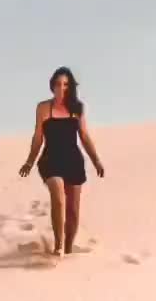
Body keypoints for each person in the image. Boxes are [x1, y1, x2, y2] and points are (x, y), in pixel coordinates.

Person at [19, 66, 104, 258]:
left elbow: (84, 136)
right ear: (52, 85)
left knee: (73, 211)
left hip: (73, 160)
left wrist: (96, 160)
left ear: (70, 87)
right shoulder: (43, 108)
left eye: (65, 84)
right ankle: (58, 247)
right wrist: (29, 162)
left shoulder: (78, 108)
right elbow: (38, 137)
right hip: (50, 160)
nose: (61, 88)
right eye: (58, 84)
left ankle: (68, 247)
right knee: (58, 199)